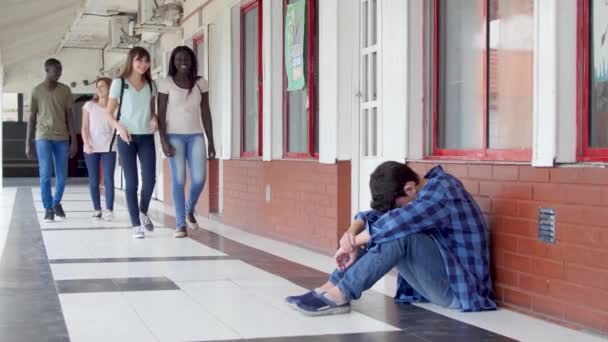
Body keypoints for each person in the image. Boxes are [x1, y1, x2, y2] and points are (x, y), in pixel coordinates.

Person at [286, 162, 496, 316]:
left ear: (410, 188)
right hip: (437, 285)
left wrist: (357, 242)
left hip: (461, 290)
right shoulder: (417, 193)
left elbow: (396, 223)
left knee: (399, 234)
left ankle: (340, 295)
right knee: (384, 229)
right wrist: (349, 236)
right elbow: (375, 217)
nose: (396, 210)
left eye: (397, 205)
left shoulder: (443, 191)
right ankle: (329, 287)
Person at [157, 46, 216, 238]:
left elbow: (206, 112)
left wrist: (211, 141)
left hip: (196, 136)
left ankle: (189, 209)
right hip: (174, 136)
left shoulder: (201, 83)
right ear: (173, 62)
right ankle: (180, 224)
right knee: (179, 179)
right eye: (178, 59)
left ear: (192, 61)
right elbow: (161, 114)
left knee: (199, 178)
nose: (182, 62)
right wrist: (163, 141)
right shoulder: (166, 83)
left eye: (186, 59)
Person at [105, 47, 158, 239]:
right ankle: (135, 224)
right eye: (139, 61)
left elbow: (151, 110)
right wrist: (120, 128)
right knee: (132, 182)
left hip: (146, 136)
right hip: (126, 137)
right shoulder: (119, 83)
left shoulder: (151, 85)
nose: (143, 65)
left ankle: (143, 211)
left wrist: (154, 119)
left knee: (150, 179)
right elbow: (108, 113)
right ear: (131, 61)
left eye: (146, 61)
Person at [25, 58, 78, 222]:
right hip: (43, 137)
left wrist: (74, 140)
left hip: (62, 138)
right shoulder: (36, 91)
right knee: (46, 174)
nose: (59, 73)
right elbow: (32, 118)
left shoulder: (66, 90)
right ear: (47, 70)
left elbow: (70, 116)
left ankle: (56, 202)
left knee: (62, 176)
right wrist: (28, 142)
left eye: (61, 70)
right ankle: (48, 208)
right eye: (56, 70)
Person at [81, 77, 116, 221]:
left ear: (110, 88)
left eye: (103, 86)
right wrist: (86, 143)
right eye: (98, 86)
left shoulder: (114, 106)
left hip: (109, 147)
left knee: (108, 179)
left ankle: (109, 209)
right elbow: (84, 127)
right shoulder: (89, 105)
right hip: (91, 148)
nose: (99, 88)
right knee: (94, 180)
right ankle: (97, 209)